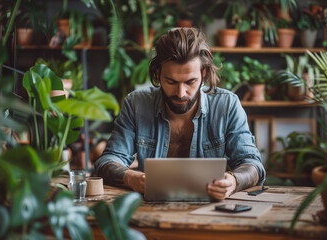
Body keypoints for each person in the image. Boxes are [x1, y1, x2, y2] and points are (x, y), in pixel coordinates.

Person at [94, 27, 265, 200]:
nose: (181, 93)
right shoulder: (136, 104)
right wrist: (132, 178)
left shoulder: (227, 105)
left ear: (203, 74)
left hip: (211, 212)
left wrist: (234, 181)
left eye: (190, 82)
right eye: (171, 81)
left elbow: (253, 164)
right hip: (149, 212)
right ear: (158, 74)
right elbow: (107, 161)